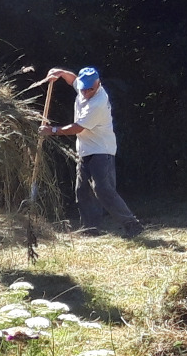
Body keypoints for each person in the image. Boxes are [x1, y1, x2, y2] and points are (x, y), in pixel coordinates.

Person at [40, 67, 143, 238]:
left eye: (90, 89)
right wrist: (58, 72)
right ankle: (90, 229)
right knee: (82, 191)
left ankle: (132, 224)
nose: (86, 92)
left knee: (103, 189)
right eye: (83, 88)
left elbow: (77, 127)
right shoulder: (82, 88)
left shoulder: (98, 103)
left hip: (102, 150)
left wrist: (52, 130)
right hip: (85, 150)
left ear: (98, 84)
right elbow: (72, 79)